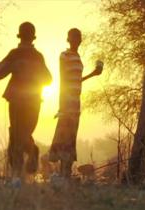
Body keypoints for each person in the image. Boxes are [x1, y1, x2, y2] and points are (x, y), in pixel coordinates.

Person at [0, 22, 52, 182]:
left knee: (16, 135)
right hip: (34, 102)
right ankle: (26, 161)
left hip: (17, 101)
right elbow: (48, 79)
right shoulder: (38, 56)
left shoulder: (15, 54)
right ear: (33, 38)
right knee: (23, 134)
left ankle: (18, 174)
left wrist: (0, 65)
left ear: (19, 36)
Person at [49, 28, 103, 178]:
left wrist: (94, 73)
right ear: (68, 40)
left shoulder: (78, 58)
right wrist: (62, 105)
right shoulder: (64, 56)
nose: (75, 40)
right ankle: (62, 175)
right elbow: (63, 80)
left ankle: (65, 175)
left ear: (80, 40)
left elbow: (77, 80)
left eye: (77, 37)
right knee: (63, 138)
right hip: (66, 103)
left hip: (76, 105)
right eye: (72, 37)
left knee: (70, 139)